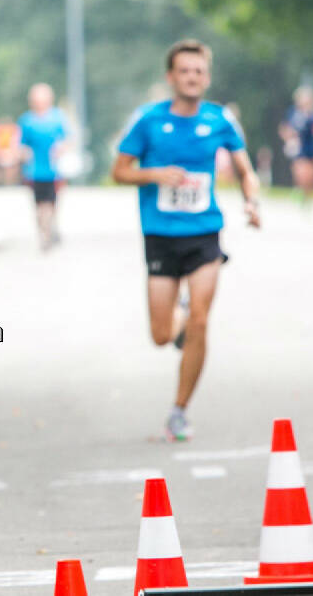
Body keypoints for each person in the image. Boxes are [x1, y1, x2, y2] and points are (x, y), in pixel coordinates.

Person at [112, 39, 261, 442]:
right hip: (160, 236)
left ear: (206, 77)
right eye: (185, 71)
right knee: (161, 336)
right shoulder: (147, 121)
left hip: (204, 234)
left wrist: (252, 201)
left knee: (201, 319)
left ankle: (179, 411)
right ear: (171, 77)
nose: (192, 77)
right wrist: (153, 174)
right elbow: (119, 171)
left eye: (199, 71)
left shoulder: (220, 120)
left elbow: (246, 170)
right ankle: (176, 324)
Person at [17, 83, 68, 250]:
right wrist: (24, 153)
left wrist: (61, 148)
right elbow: (21, 143)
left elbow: (67, 139)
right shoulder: (27, 120)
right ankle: (44, 234)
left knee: (52, 203)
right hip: (34, 170)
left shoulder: (57, 117)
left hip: (54, 169)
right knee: (39, 205)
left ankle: (50, 227)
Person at [278, 86, 313, 205]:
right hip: (299, 148)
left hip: (312, 147)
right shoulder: (293, 113)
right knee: (302, 173)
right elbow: (284, 128)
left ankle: (308, 198)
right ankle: (299, 190)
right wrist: (289, 137)